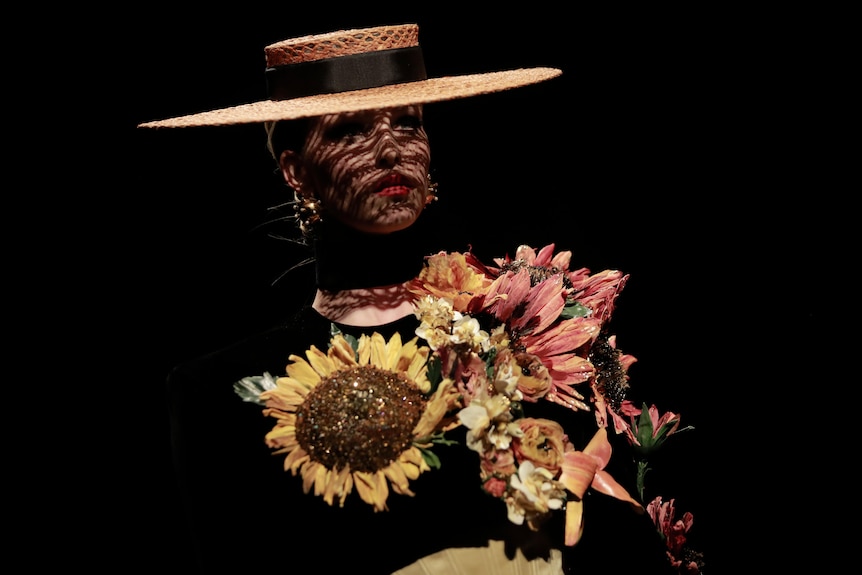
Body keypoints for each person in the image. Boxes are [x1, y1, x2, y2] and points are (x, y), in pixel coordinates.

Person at [140, 24, 702, 574]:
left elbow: (630, 519)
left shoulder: (525, 323)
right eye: (349, 131)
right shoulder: (218, 390)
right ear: (295, 169)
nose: (389, 150)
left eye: (408, 123)